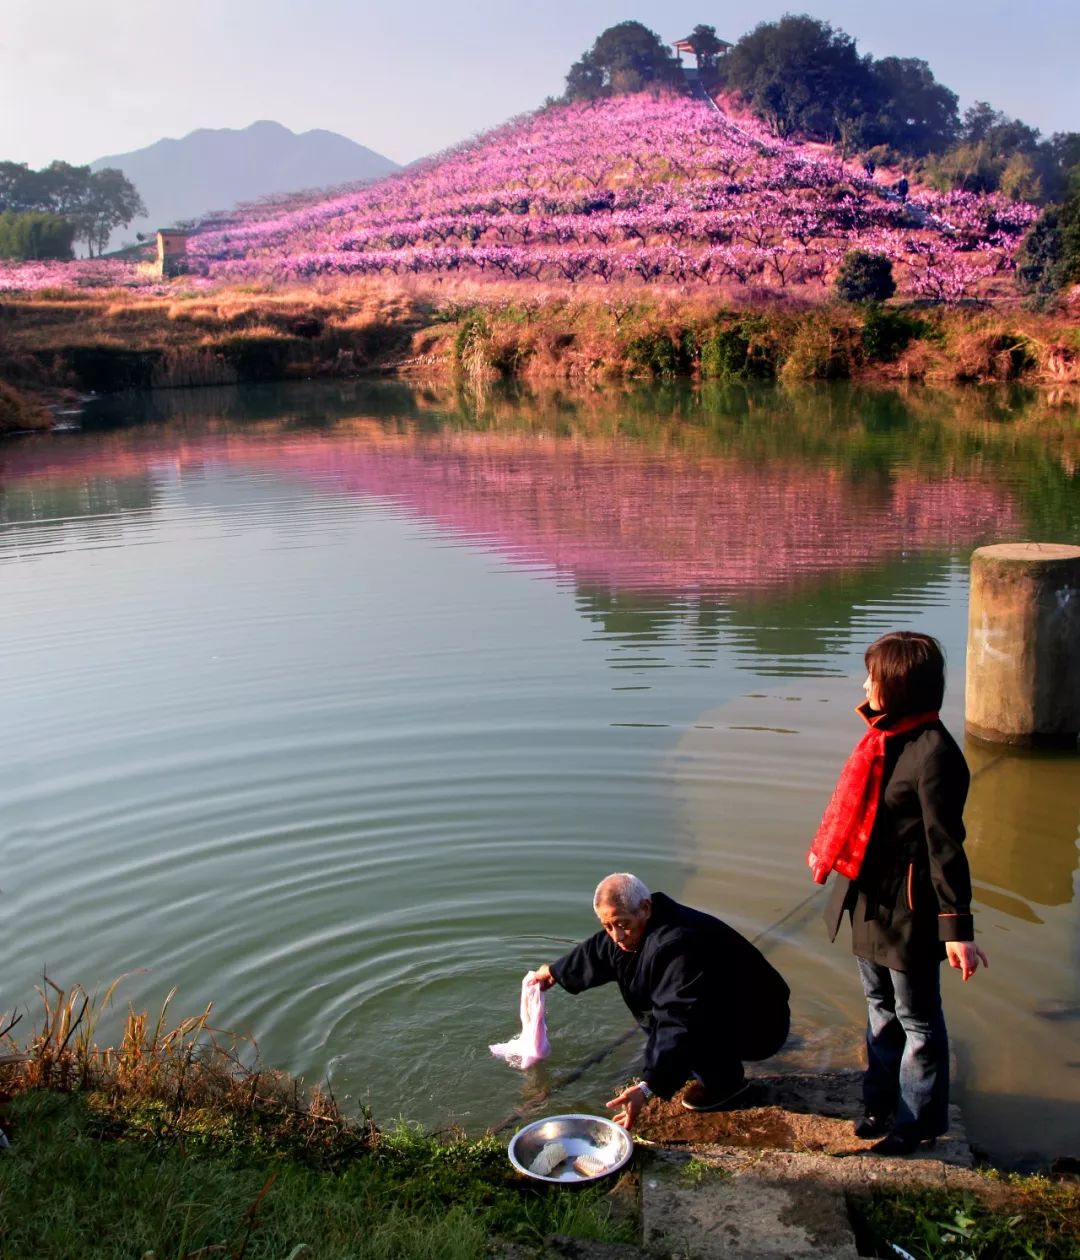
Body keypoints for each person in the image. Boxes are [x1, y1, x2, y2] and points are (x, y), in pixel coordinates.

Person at [808, 631, 988, 1156]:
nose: (865, 684)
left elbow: (946, 847)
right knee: (878, 1008)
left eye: (874, 676)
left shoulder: (934, 754)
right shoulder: (883, 737)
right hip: (868, 899)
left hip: (911, 910)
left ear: (901, 686)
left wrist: (957, 928)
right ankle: (879, 1102)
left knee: (918, 1022)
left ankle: (917, 1122)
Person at [530, 873, 790, 1130]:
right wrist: (556, 972)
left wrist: (648, 1087)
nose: (617, 935)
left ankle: (725, 1083)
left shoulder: (676, 944)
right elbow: (599, 950)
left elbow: (679, 1018)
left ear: (644, 908)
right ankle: (684, 1066)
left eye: (622, 924)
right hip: (728, 1004)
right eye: (607, 925)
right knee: (661, 1022)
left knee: (682, 1028)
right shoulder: (639, 924)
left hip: (760, 1022)